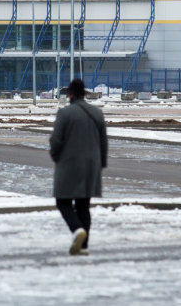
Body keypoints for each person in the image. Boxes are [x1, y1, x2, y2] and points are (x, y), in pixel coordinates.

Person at [49, 78, 108, 256]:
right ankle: (83, 246)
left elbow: (56, 140)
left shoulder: (65, 114)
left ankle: (77, 230)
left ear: (70, 94)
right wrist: (101, 164)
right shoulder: (97, 113)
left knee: (63, 201)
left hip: (69, 164)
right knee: (83, 206)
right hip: (91, 165)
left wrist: (56, 157)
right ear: (85, 93)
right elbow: (103, 142)